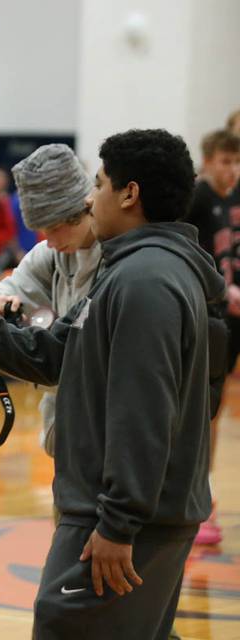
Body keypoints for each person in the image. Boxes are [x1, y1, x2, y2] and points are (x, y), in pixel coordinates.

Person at [0, 129, 221, 640]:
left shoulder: (143, 280)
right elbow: (55, 354)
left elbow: (143, 412)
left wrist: (119, 523)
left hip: (122, 509)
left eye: (99, 183)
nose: (92, 196)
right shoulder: (129, 271)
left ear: (129, 194)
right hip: (109, 494)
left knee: (65, 627)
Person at [0, 144, 97, 456]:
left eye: (55, 228)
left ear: (86, 208)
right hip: (67, 428)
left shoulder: (123, 261)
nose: (49, 240)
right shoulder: (50, 253)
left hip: (114, 427)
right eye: (42, 230)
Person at [190, 128, 240, 545]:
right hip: (202, 318)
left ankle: (199, 497)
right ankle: (195, 500)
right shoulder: (198, 198)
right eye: (225, 161)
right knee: (199, 411)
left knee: (212, 409)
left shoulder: (225, 200)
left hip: (223, 317)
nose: (233, 170)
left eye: (236, 162)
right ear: (207, 159)